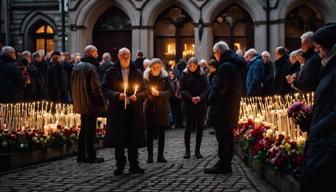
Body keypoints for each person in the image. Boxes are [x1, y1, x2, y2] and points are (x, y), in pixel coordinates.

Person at [300, 24, 336, 192]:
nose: (316, 51)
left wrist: (316, 129)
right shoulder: (327, 68)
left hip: (327, 144)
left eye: (319, 47)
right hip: (322, 139)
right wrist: (309, 117)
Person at [102, 47, 146, 176]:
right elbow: (105, 89)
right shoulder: (111, 72)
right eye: (123, 56)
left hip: (133, 109)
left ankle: (134, 165)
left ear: (131, 56)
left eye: (127, 56)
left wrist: (137, 97)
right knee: (119, 139)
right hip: (117, 110)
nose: (126, 58)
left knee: (133, 138)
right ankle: (120, 165)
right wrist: (116, 95)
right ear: (118, 56)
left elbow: (145, 90)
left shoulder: (137, 72)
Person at [204, 41, 243, 174]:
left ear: (219, 52)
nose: (215, 56)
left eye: (215, 53)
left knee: (223, 137)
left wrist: (209, 100)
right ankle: (225, 163)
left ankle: (224, 164)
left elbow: (219, 88)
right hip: (231, 106)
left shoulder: (225, 66)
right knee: (227, 136)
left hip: (223, 108)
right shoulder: (233, 64)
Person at [72, 45, 107, 163]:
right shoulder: (91, 67)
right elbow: (96, 88)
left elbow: (71, 85)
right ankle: (91, 156)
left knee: (83, 129)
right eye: (96, 52)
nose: (97, 54)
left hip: (80, 102)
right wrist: (102, 101)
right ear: (91, 52)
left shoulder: (77, 66)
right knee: (90, 130)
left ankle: (81, 155)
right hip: (90, 103)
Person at [143, 58, 172, 163]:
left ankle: (160, 156)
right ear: (150, 68)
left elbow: (170, 91)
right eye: (154, 67)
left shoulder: (165, 77)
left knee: (161, 132)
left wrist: (159, 94)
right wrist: (149, 96)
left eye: (158, 67)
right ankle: (150, 156)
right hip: (149, 107)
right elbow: (143, 91)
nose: (156, 69)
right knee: (149, 132)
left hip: (162, 107)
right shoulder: (145, 77)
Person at [180, 57, 210, 159]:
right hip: (188, 104)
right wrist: (191, 98)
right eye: (190, 66)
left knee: (200, 128)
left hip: (200, 104)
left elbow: (207, 89)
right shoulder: (184, 74)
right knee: (188, 128)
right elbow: (182, 90)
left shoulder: (202, 74)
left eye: (194, 66)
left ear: (197, 66)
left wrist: (200, 97)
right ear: (188, 65)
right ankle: (187, 151)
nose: (192, 68)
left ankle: (197, 150)